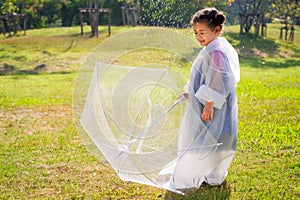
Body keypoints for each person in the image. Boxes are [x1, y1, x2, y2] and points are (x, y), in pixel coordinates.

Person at [170, 7, 240, 190]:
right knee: (208, 137)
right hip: (208, 102)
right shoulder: (211, 48)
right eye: (195, 33)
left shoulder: (216, 52)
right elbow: (203, 76)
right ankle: (208, 173)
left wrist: (209, 103)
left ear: (216, 30)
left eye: (202, 32)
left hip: (213, 105)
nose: (198, 36)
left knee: (208, 137)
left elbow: (217, 79)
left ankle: (198, 173)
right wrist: (189, 92)